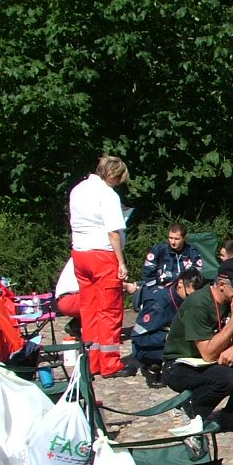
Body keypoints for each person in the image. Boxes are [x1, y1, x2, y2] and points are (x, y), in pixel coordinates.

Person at [162, 257, 233, 429]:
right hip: (180, 365)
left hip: (213, 360)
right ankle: (187, 409)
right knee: (228, 378)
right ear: (222, 285)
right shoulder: (198, 304)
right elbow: (208, 353)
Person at [70, 155, 132, 377]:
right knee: (109, 311)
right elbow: (113, 232)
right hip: (102, 255)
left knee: (89, 309)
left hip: (80, 252)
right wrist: (121, 262)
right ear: (114, 175)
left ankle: (92, 361)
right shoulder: (108, 194)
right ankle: (110, 364)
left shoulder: (78, 189)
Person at [131, 268, 204, 387]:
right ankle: (153, 368)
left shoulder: (187, 299)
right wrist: (166, 337)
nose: (192, 300)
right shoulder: (159, 303)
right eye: (188, 295)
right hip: (147, 348)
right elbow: (138, 337)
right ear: (180, 283)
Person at [140, 222, 203, 291]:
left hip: (183, 290)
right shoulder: (158, 250)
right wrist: (155, 289)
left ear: (185, 238)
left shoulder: (193, 253)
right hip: (160, 290)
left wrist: (175, 282)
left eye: (176, 239)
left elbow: (197, 275)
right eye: (170, 238)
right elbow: (148, 273)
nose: (173, 242)